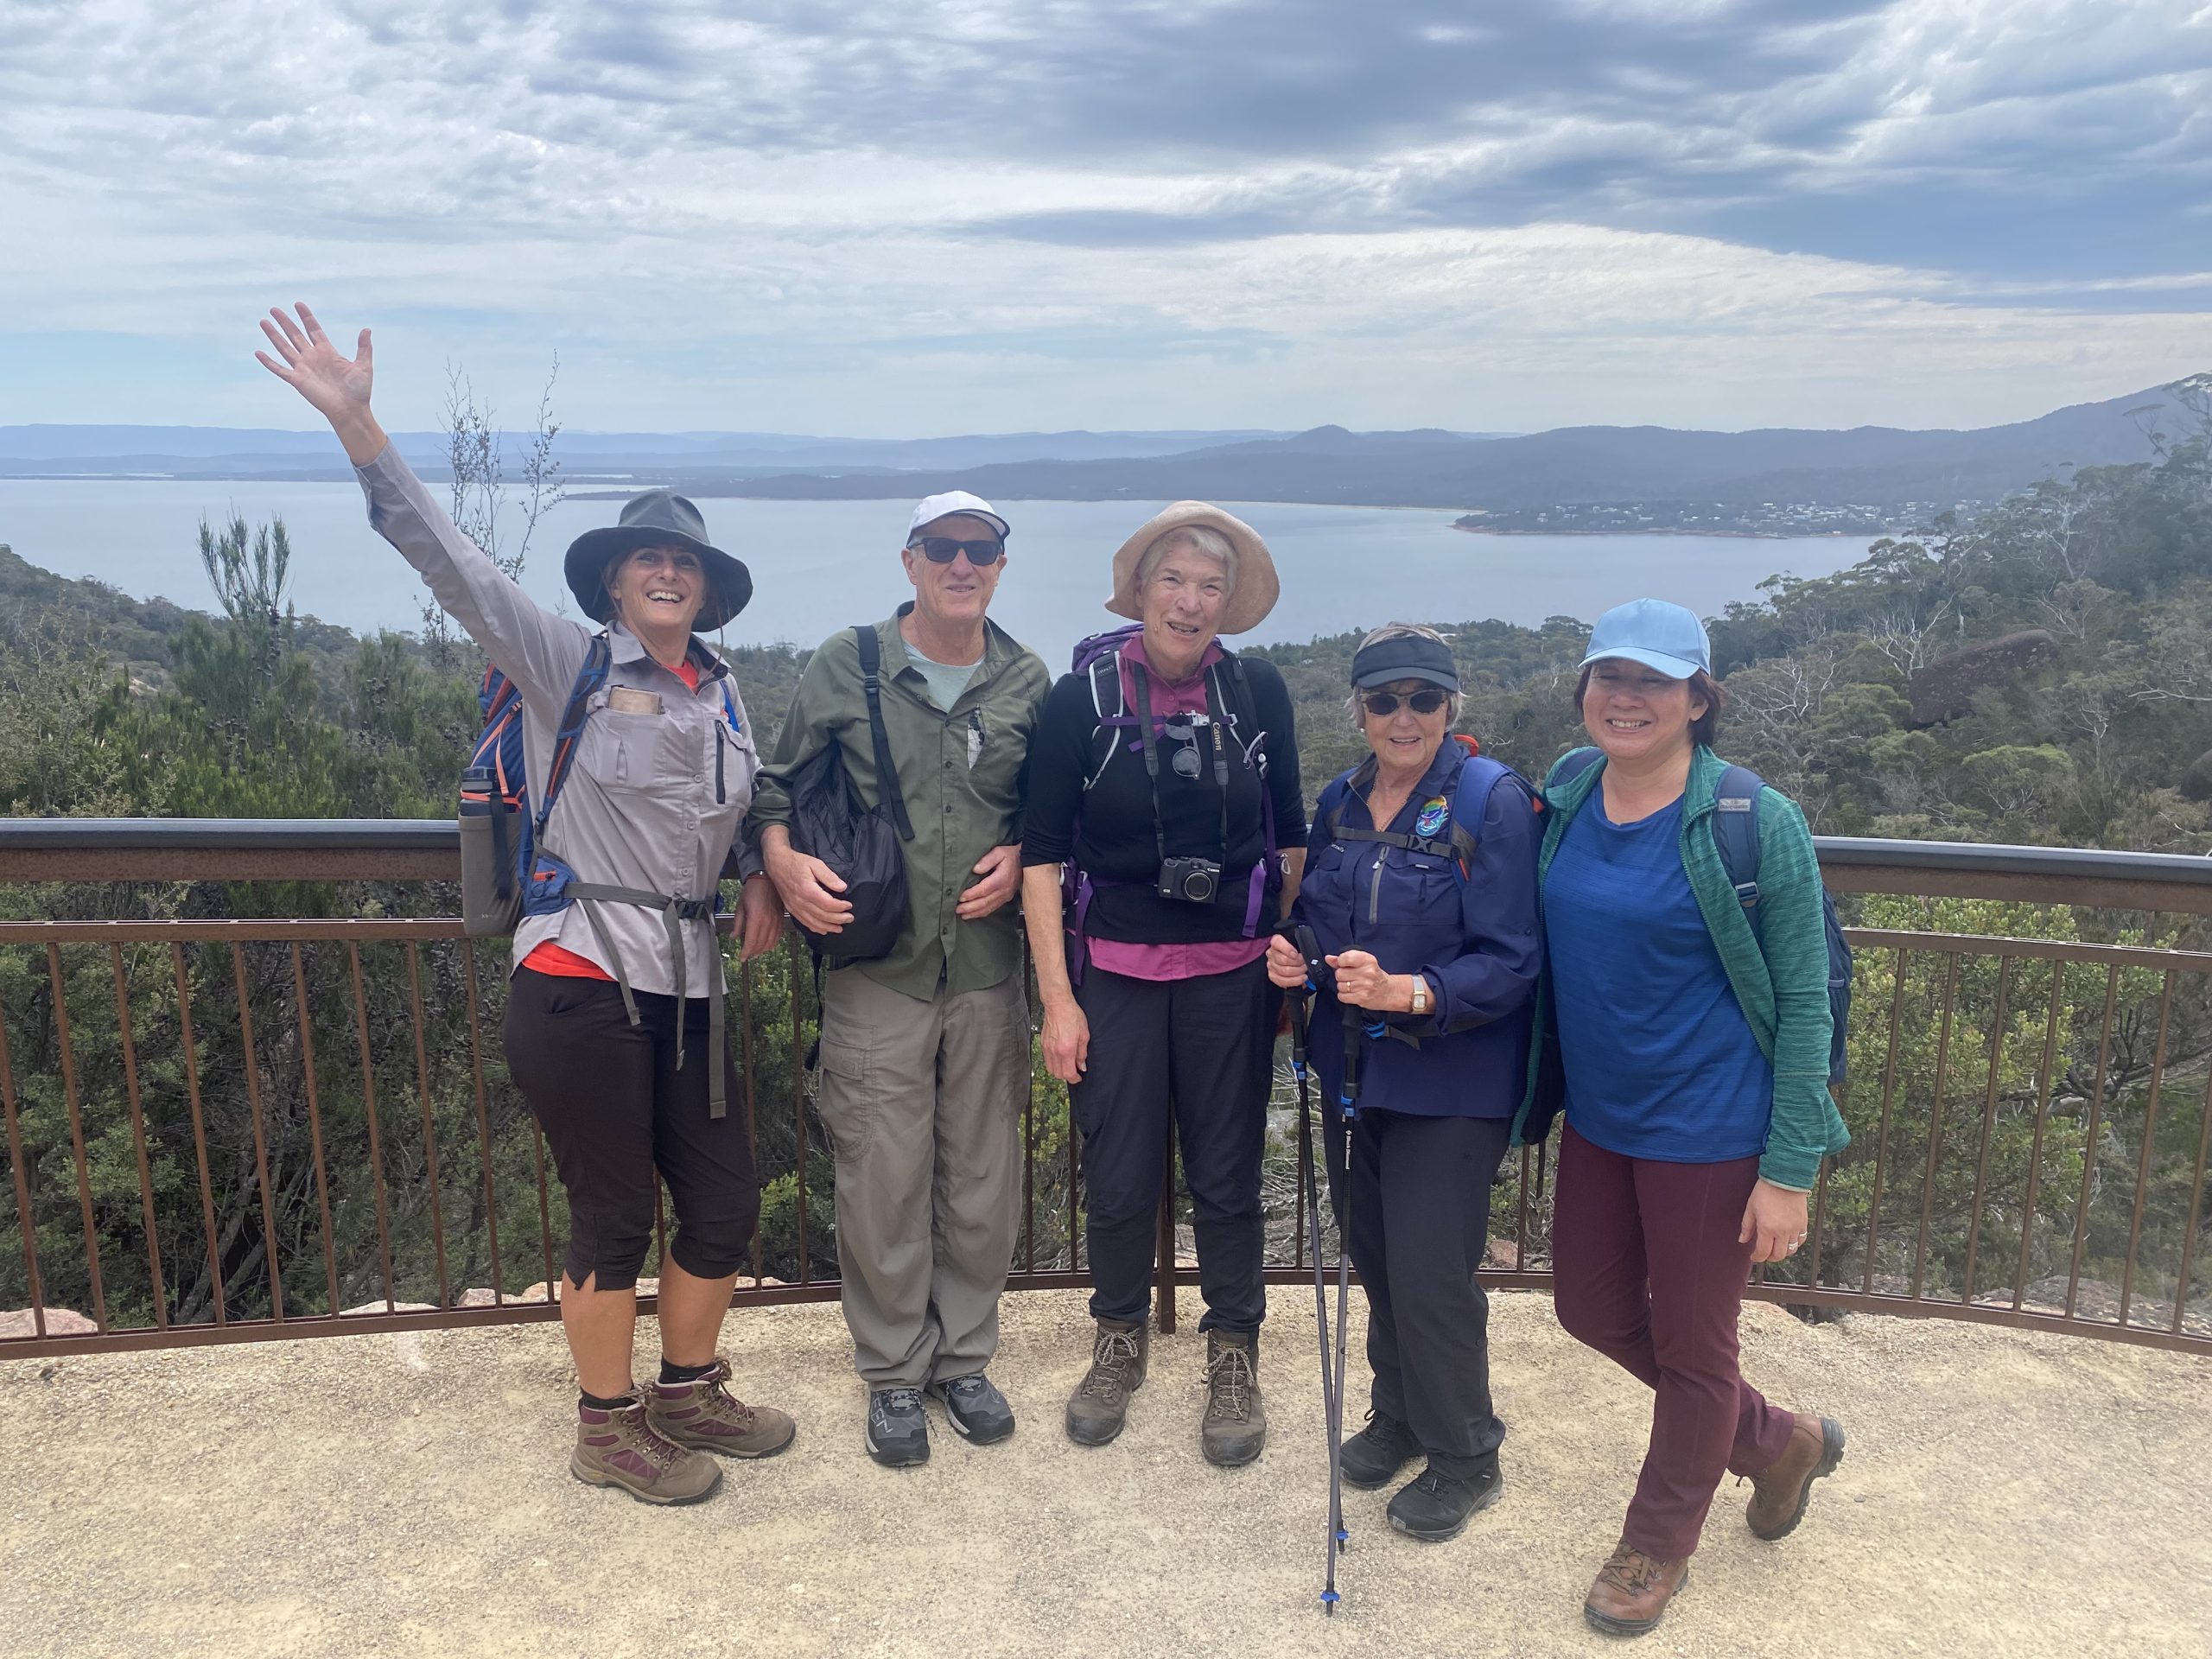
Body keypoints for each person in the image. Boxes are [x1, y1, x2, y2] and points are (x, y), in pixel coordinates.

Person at [256, 303, 794, 1506]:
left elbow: (753, 799)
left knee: (720, 1196)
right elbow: (450, 559)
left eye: (686, 563)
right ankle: (605, 1429)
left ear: (707, 593)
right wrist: (362, 431)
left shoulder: (729, 696)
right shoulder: (571, 664)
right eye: (645, 558)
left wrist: (762, 856)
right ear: (612, 582)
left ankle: (687, 1387)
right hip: (580, 980)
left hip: (693, 983)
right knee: (611, 1209)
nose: (666, 570)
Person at [1513, 598, 1851, 1637]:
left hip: (1712, 1128)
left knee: (1697, 1354)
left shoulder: (1752, 820)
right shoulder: (1568, 792)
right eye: (1610, 677)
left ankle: (1657, 1543)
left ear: (1698, 700)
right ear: (1582, 692)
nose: (1628, 697)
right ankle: (1776, 1439)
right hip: (1604, 1120)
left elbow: (1807, 1000)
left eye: (1655, 682)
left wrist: (1789, 1169)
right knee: (1590, 1309)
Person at [748, 491, 1050, 1468]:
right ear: (912, 561)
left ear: (1000, 567)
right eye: (945, 550)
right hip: (876, 961)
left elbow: (1053, 815)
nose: (963, 565)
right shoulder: (851, 661)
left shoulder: (1027, 679)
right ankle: (891, 1372)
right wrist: (782, 866)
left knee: (980, 1175)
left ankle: (963, 1358)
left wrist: (1020, 852)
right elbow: (776, 785)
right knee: (879, 1172)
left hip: (987, 965)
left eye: (982, 551)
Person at [1020, 503, 1306, 1466]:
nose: (1190, 601)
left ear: (1230, 603)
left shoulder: (1256, 692)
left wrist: (1275, 937)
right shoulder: (1081, 699)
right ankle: (1116, 1340)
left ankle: (1234, 1352)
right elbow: (1042, 860)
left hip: (1230, 976)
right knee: (1119, 1169)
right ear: (1140, 590)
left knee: (1227, 1174)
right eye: (1173, 580)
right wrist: (1059, 1002)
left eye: (1210, 586)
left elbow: (1292, 835)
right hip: (1117, 978)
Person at [1265, 623, 1540, 1541]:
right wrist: (1291, 954)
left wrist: (1411, 992)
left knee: (1430, 1273)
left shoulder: (1489, 799)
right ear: (1360, 710)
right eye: (1383, 700)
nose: (1403, 716)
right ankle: (1401, 1415)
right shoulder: (1341, 799)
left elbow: (1510, 962)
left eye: (1423, 698)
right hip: (1353, 1070)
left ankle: (1467, 1453)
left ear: (1450, 707)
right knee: (1378, 1255)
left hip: (1452, 1079)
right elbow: (1315, 917)